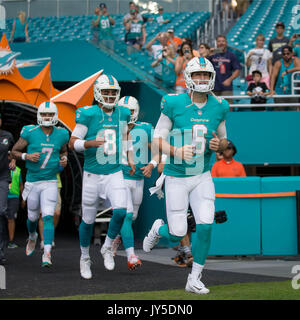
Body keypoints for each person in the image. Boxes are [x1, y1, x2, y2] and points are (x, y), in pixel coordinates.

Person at [143, 56, 230, 294]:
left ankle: (194, 278)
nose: (202, 79)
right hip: (177, 175)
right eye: (197, 75)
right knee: (177, 233)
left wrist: (218, 146)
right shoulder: (173, 103)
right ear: (188, 77)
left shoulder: (220, 105)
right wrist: (176, 150)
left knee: (205, 226)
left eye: (206, 75)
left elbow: (223, 141)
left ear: (211, 78)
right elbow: (156, 139)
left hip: (202, 175)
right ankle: (158, 230)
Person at [68, 74, 135, 280]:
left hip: (114, 171)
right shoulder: (88, 114)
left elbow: (124, 135)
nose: (109, 95)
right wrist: (87, 144)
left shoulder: (122, 112)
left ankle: (107, 246)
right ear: (98, 93)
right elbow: (72, 142)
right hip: (92, 174)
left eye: (113, 92)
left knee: (121, 211)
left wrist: (130, 157)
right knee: (87, 220)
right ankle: (85, 257)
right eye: (106, 91)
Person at [12, 101, 69, 267]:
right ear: (39, 115)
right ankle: (32, 236)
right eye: (44, 114)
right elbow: (14, 152)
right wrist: (26, 157)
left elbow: (64, 150)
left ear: (55, 115)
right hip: (33, 181)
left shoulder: (62, 134)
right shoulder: (30, 132)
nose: (47, 117)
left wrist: (64, 159)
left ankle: (47, 252)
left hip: (50, 181)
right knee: (31, 217)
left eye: (50, 114)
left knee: (48, 216)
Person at [111, 96, 159, 270]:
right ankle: (131, 255)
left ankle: (116, 237)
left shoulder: (145, 128)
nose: (127, 114)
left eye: (130, 111)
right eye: (125, 111)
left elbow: (157, 149)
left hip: (138, 179)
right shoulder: (113, 127)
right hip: (120, 176)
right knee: (127, 214)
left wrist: (151, 165)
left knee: (133, 216)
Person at [0, 112, 15, 264]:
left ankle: (1, 250)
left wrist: (14, 160)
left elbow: (13, 152)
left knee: (1, 211)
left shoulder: (7, 136)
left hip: (3, 178)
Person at [209, 35, 241, 101]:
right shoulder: (212, 54)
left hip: (226, 88)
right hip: (213, 87)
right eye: (219, 41)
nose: (221, 43)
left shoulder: (231, 55)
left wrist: (229, 80)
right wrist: (208, 54)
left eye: (223, 41)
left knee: (227, 108)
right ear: (216, 43)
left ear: (226, 43)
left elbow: (237, 69)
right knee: (213, 109)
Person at [39, 171, 65, 250]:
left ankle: (49, 235)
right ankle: (43, 240)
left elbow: (61, 166)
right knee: (42, 214)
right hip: (40, 183)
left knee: (56, 213)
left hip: (55, 184)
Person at [270, 45, 300, 110]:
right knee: (279, 116)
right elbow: (273, 76)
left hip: (292, 93)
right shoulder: (278, 63)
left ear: (292, 53)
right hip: (280, 93)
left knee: (293, 116)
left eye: (288, 53)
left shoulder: (295, 60)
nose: (286, 55)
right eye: (284, 54)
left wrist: (287, 71)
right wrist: (271, 90)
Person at [6, 152, 23, 249]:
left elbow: (21, 185)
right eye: (7, 156)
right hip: (3, 196)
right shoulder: (2, 168)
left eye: (10, 156)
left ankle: (11, 241)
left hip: (14, 197)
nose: (9, 158)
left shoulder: (18, 170)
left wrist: (23, 198)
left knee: (11, 218)